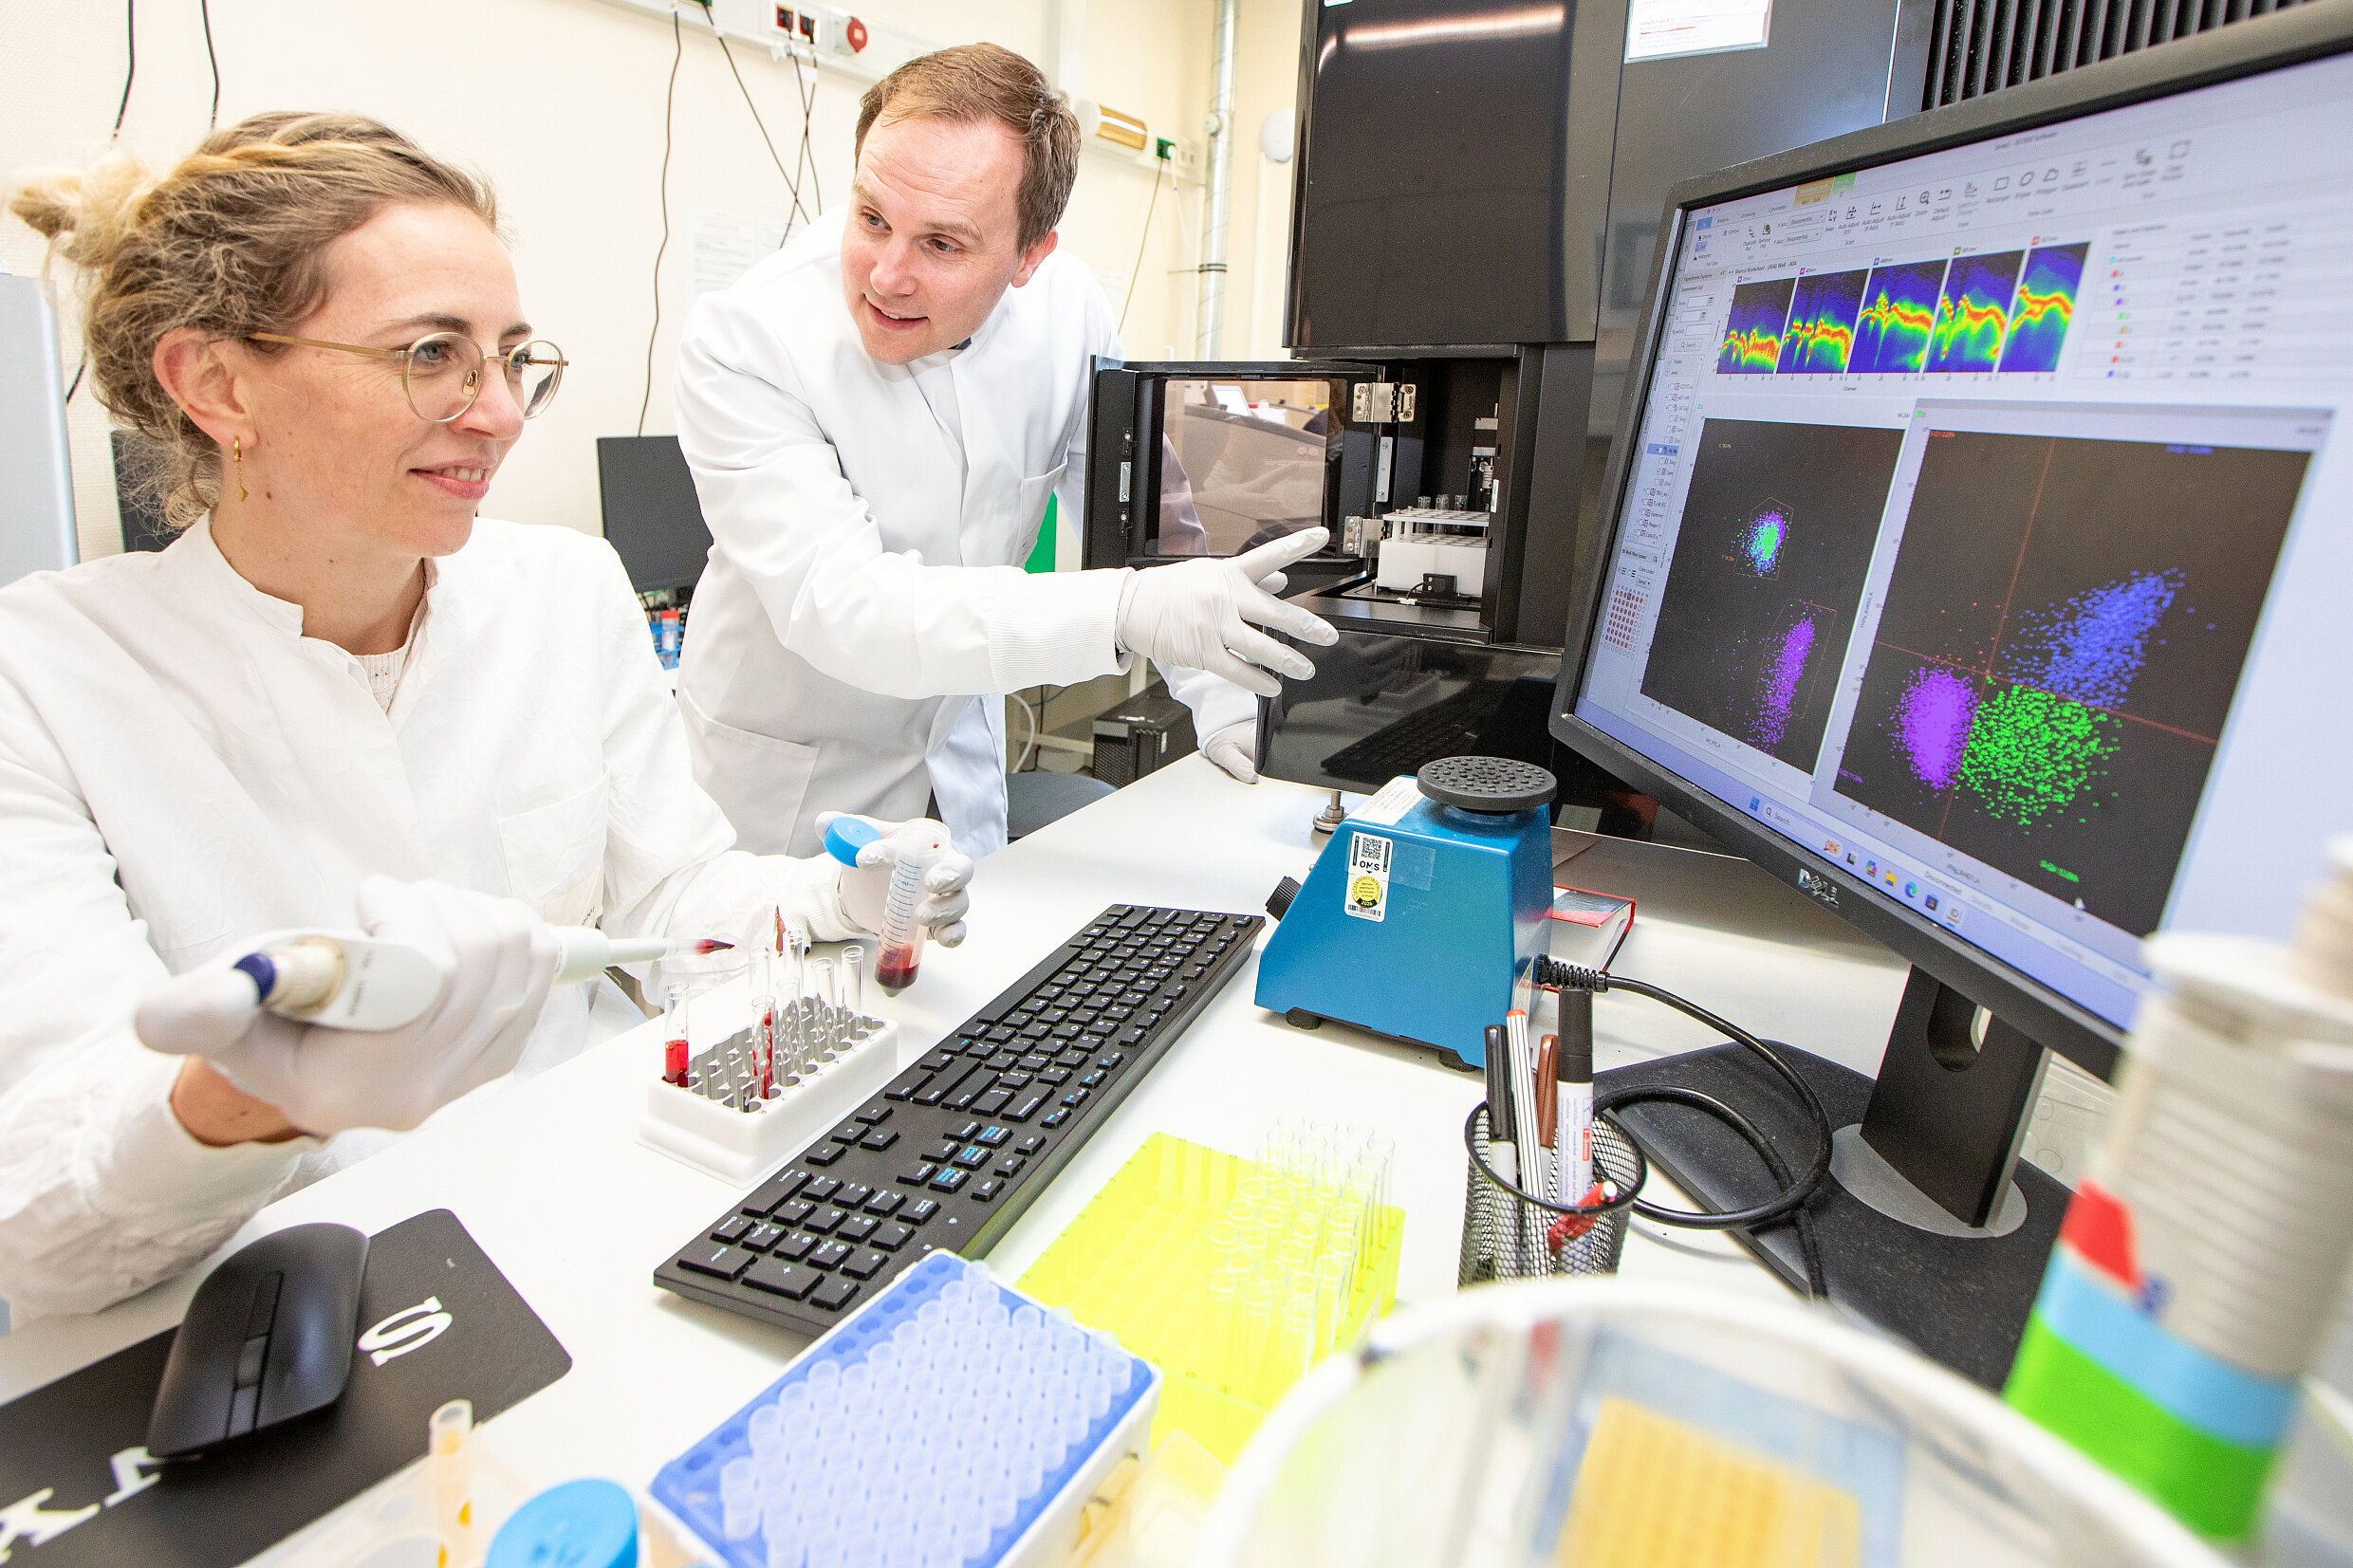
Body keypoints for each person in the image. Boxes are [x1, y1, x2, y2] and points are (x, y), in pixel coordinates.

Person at [0, 114, 972, 1322]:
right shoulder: (41, 677)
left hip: (594, 1226)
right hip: (294, 1311)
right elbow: (42, 1234)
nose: (502, 413)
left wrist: (834, 904)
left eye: (514, 358)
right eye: (431, 356)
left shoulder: (563, 591)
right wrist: (258, 1099)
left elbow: (668, 903)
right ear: (216, 383)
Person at [674, 43, 1338, 859]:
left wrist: (1230, 701)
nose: (886, 275)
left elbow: (1152, 530)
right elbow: (842, 607)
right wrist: (1119, 611)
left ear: (1031, 255)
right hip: (789, 794)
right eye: (872, 217)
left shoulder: (1070, 317)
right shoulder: (748, 340)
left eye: (942, 245)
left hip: (955, 771)